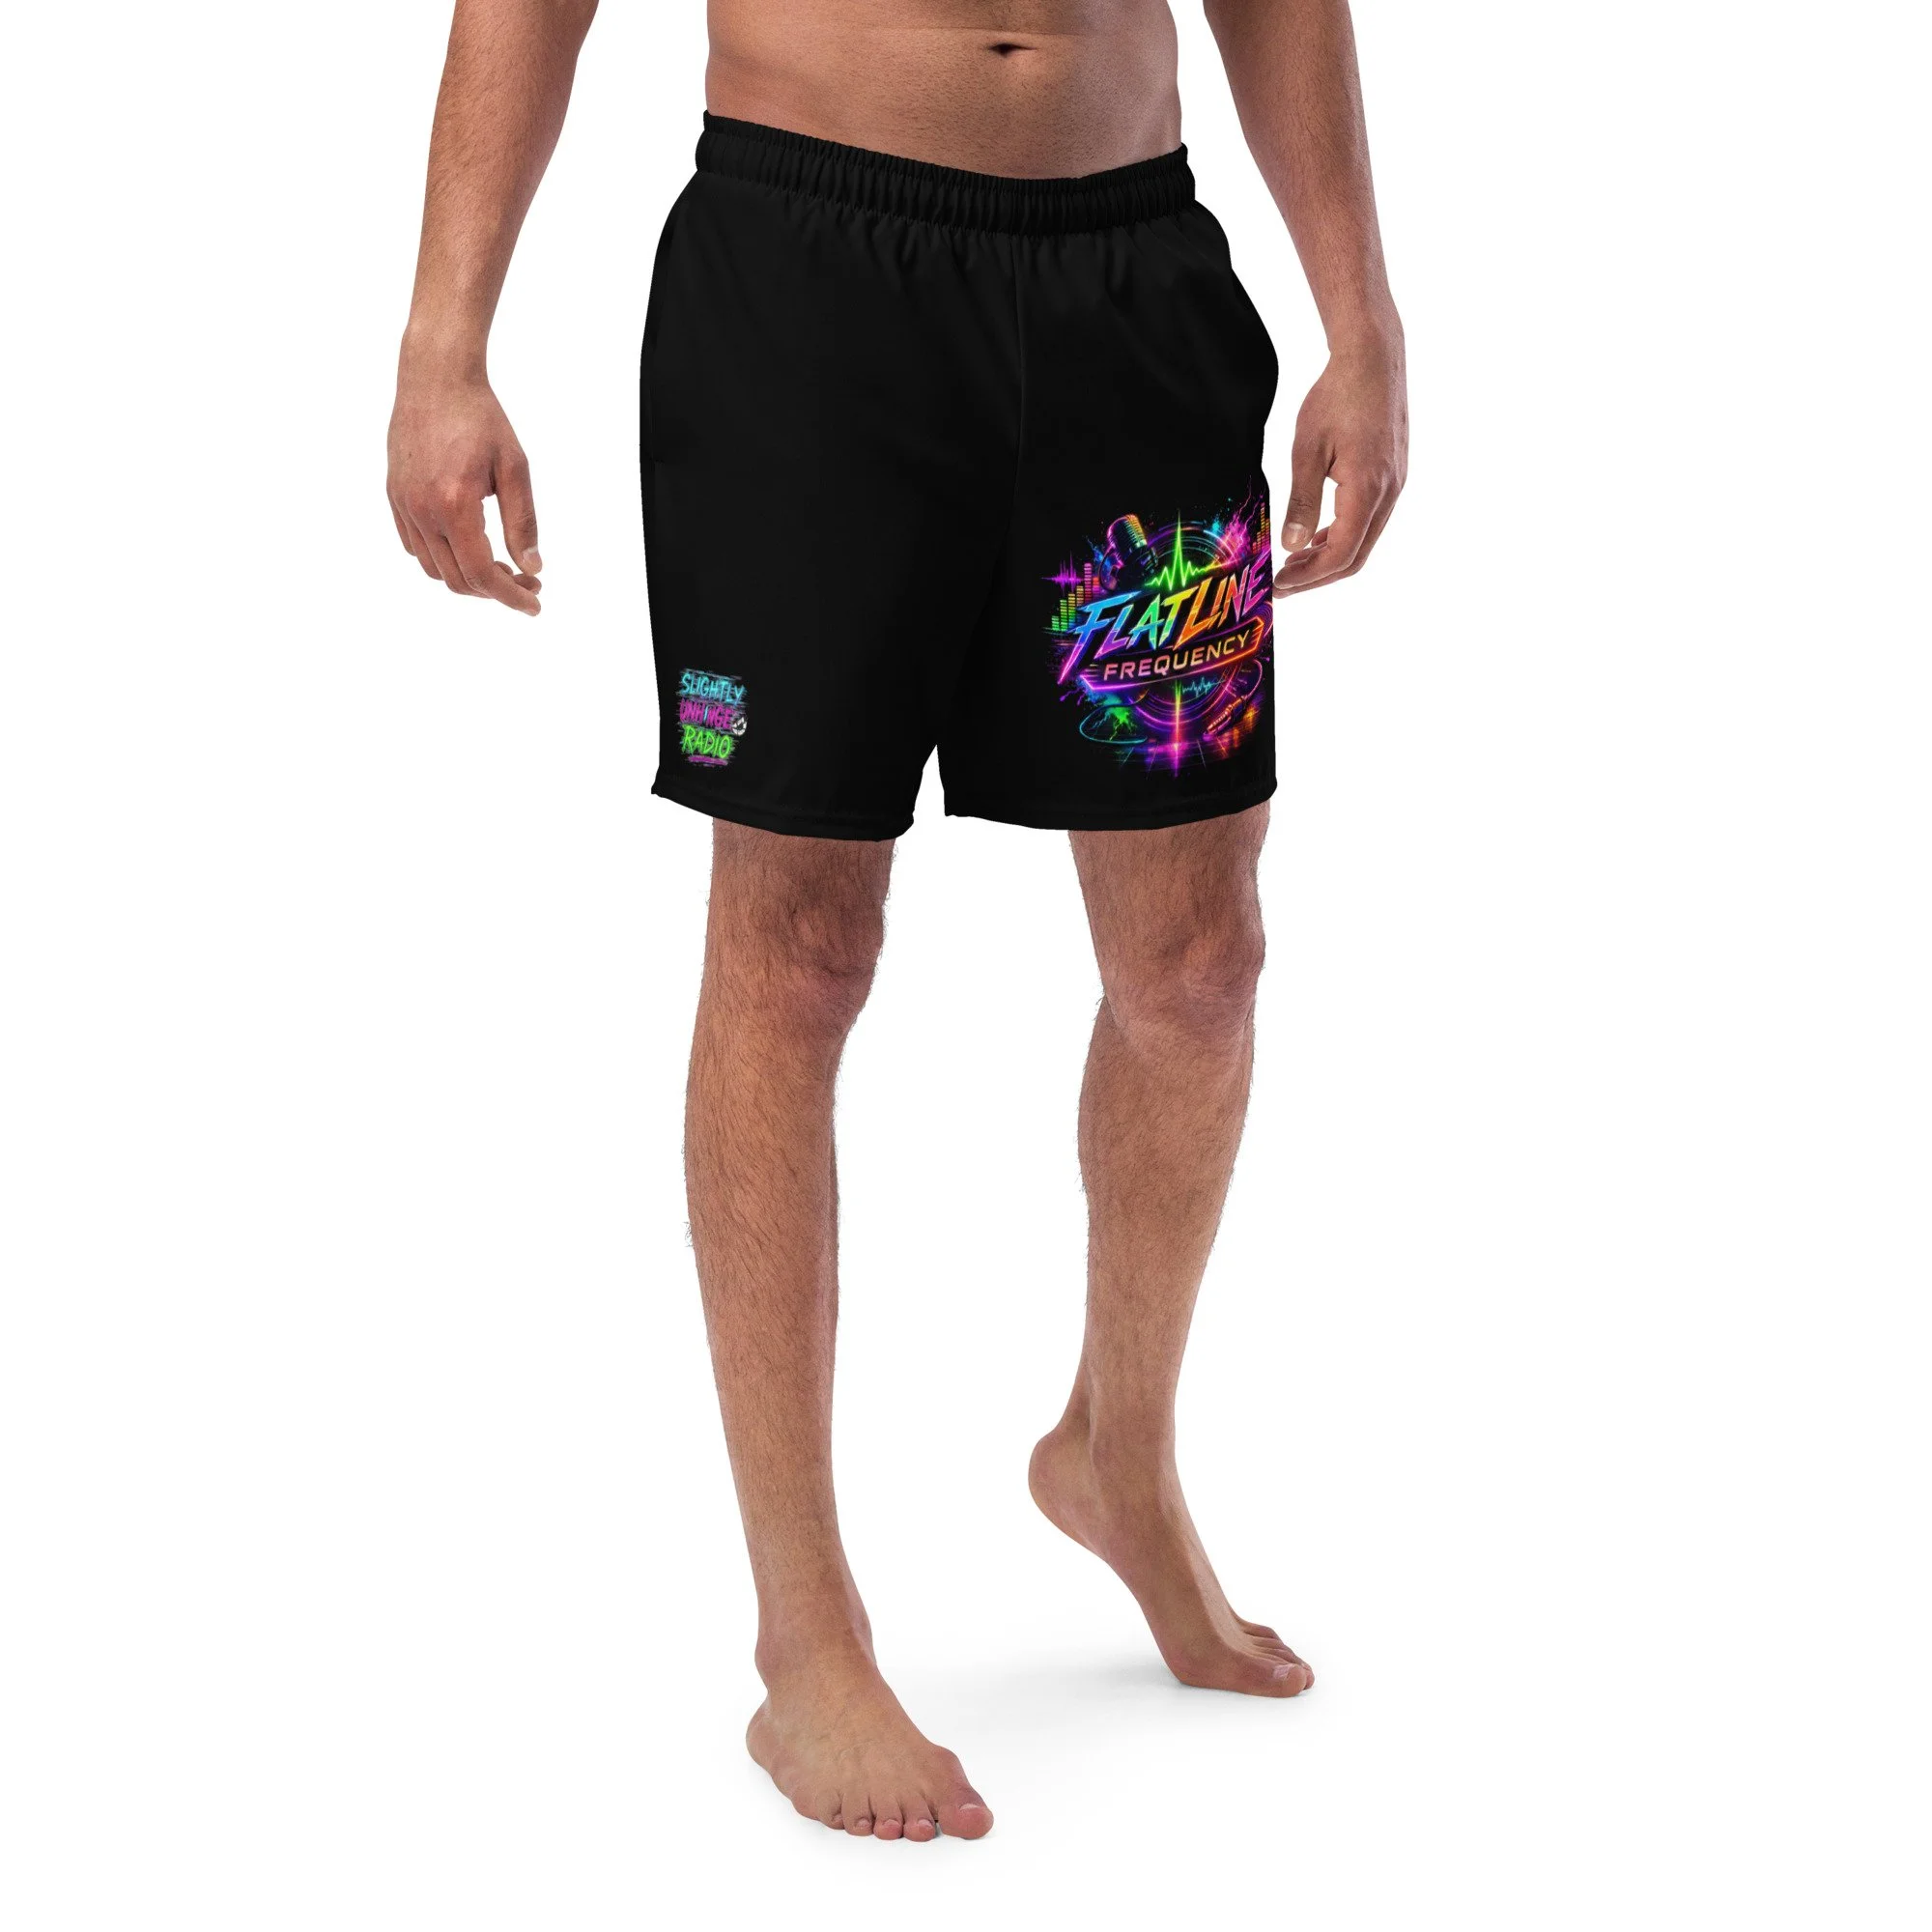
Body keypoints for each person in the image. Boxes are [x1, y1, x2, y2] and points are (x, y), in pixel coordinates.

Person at [386, 0, 1406, 1843]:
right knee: (798, 954)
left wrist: (1363, 315)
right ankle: (808, 1643)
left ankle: (1116, 1453)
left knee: (1197, 966)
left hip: (1135, 288)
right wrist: (444, 339)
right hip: (807, 287)